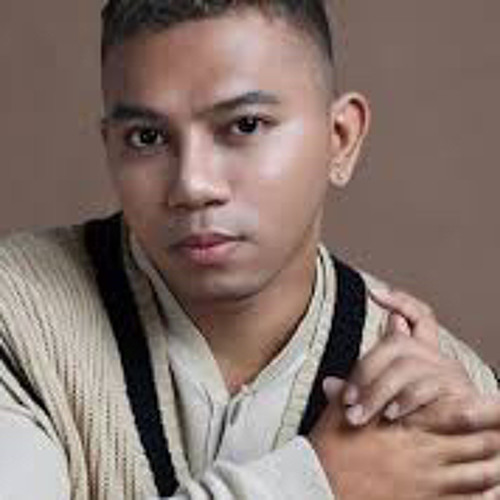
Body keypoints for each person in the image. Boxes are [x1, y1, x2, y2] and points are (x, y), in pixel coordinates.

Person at [0, 0, 498, 498]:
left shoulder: (454, 404)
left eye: (245, 126)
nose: (193, 185)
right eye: (147, 137)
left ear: (340, 139)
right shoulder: (20, 319)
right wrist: (318, 483)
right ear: (109, 145)